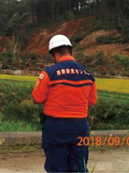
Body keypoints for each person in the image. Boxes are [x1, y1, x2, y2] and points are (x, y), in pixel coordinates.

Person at [32, 34, 97, 172]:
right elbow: (91, 101)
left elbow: (36, 99)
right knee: (78, 166)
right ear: (70, 50)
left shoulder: (50, 72)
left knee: (56, 168)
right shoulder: (88, 74)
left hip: (56, 128)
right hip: (80, 126)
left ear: (55, 53)